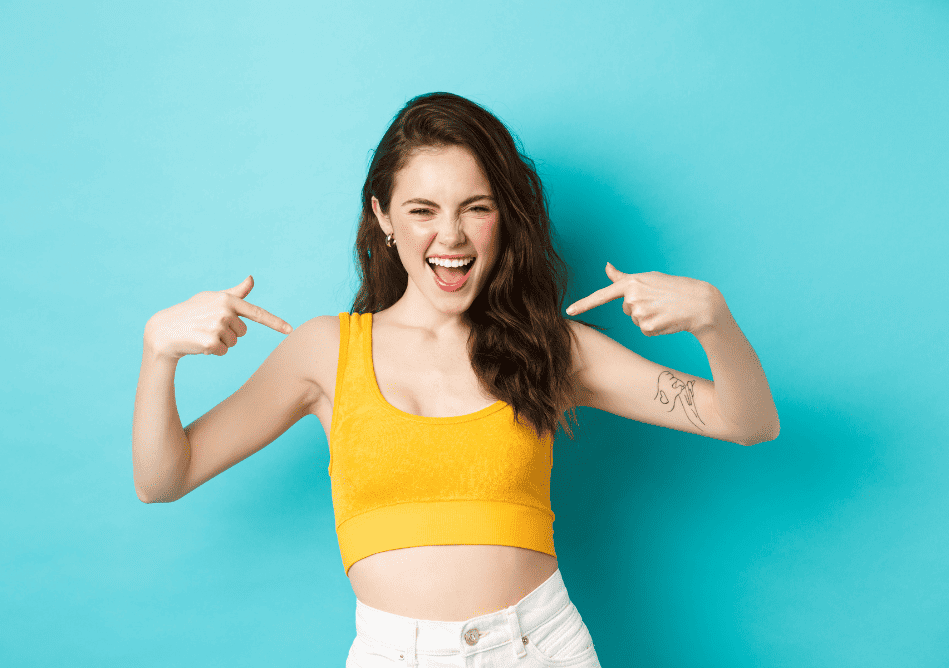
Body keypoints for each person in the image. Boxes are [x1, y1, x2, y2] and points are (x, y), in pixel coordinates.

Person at [132, 92, 780, 668]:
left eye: (476, 208)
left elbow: (746, 422)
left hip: (539, 648)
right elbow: (164, 478)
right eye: (422, 210)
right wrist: (159, 352)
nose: (451, 235)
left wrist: (713, 321)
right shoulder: (326, 352)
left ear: (505, 217)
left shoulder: (549, 349)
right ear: (383, 217)